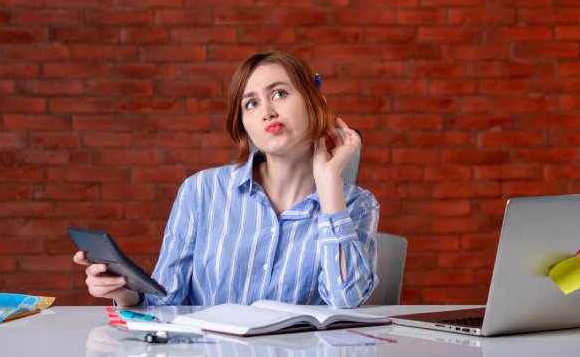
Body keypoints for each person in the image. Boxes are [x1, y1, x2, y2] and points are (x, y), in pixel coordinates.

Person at [73, 50, 380, 308]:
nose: (268, 111)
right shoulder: (201, 191)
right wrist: (124, 293)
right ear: (243, 123)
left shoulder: (358, 205)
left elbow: (346, 301)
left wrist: (328, 182)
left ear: (315, 102)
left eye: (279, 94)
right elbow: (167, 303)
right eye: (252, 103)